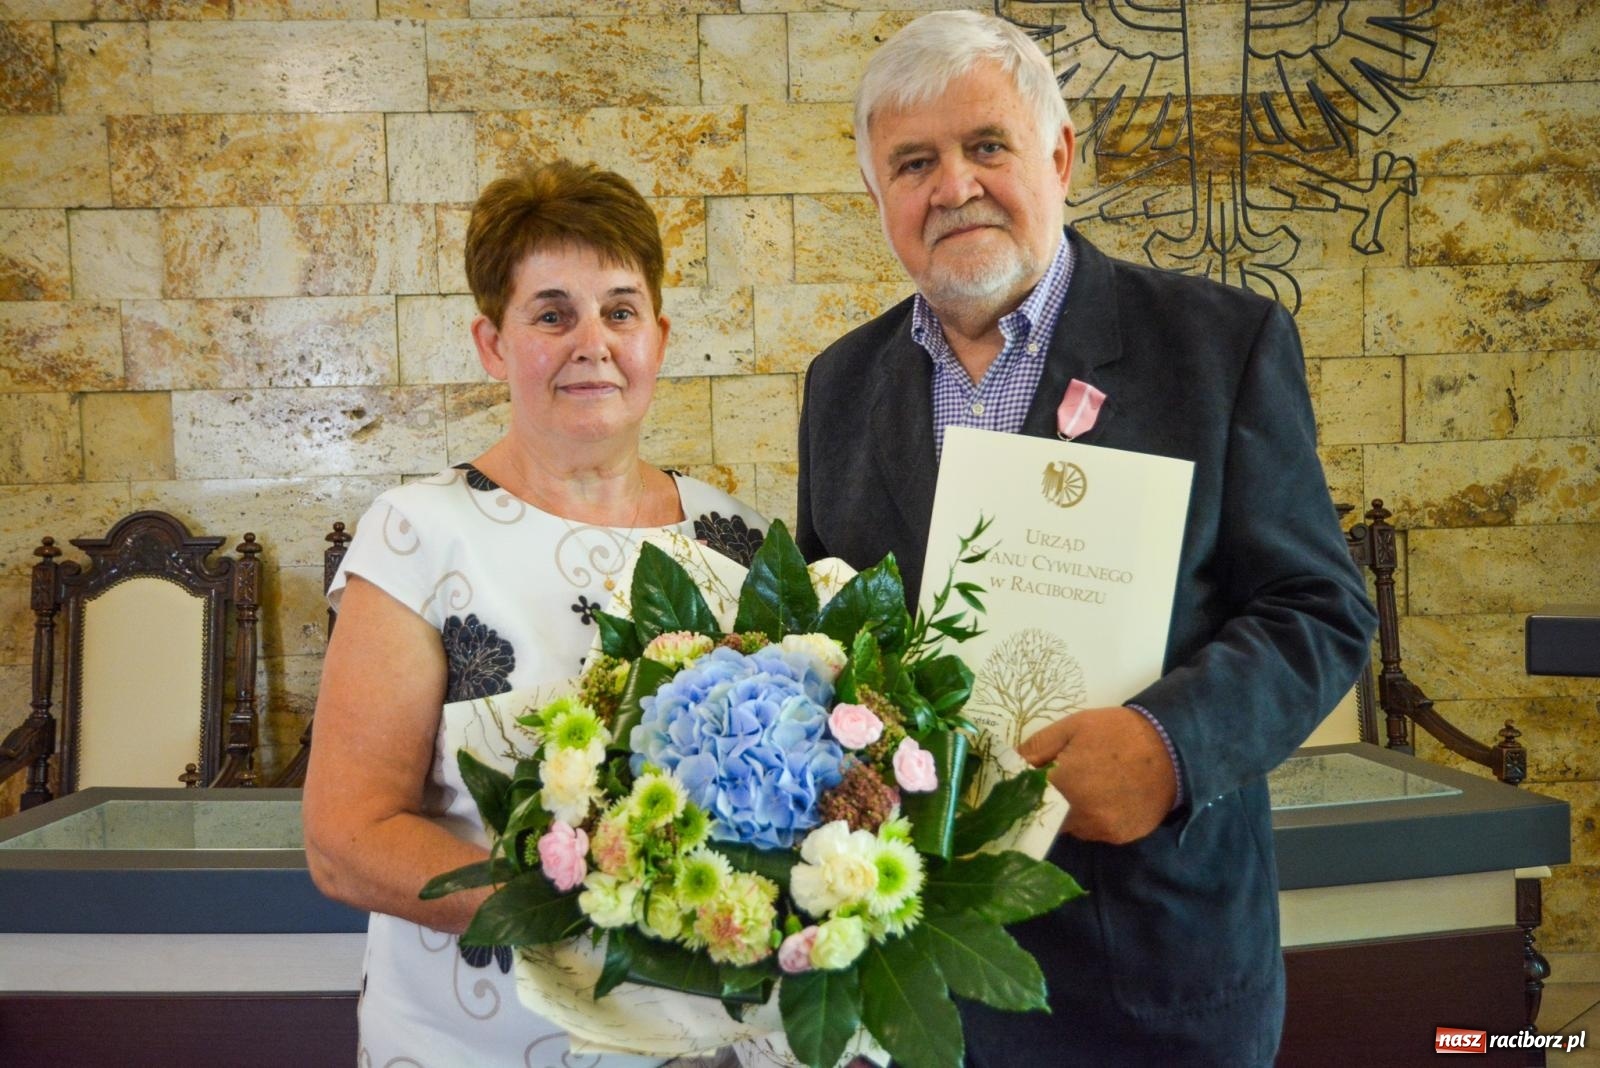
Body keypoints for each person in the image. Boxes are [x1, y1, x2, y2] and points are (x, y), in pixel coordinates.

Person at [795, 12, 1377, 1067]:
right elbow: (829, 645)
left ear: (1058, 156)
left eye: (986, 146)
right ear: (879, 200)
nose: (954, 186)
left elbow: (1318, 610)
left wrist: (1170, 747)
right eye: (913, 163)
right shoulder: (838, 387)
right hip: (917, 969)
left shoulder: (1218, 344)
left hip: (1152, 970)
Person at [303, 160, 767, 1066]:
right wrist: (592, 902)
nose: (592, 341)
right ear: (492, 343)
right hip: (481, 1038)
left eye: (620, 311)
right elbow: (347, 843)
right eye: (552, 314)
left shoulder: (741, 540)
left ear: (659, 338)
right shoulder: (418, 536)